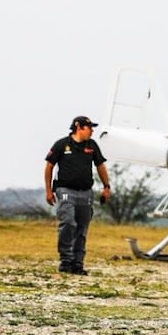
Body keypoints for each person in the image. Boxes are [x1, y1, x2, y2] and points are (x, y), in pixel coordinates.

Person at [44, 115, 111, 275]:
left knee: (82, 228)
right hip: (65, 190)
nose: (92, 131)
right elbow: (49, 166)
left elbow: (100, 165)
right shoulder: (62, 145)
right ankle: (65, 260)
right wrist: (48, 190)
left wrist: (106, 186)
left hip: (86, 192)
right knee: (68, 222)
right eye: (89, 127)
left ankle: (77, 264)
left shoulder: (92, 146)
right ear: (78, 127)